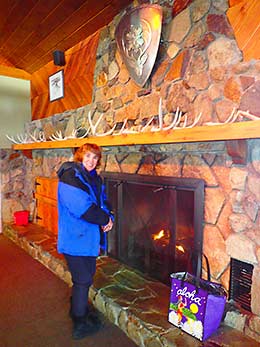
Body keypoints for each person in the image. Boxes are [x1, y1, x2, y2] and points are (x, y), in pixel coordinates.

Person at [57, 143, 114, 340]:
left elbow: (102, 202)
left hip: (87, 238)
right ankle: (79, 324)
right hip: (75, 238)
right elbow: (82, 208)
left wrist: (109, 216)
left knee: (86, 276)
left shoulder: (94, 179)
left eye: (95, 157)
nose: (91, 161)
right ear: (80, 157)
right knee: (82, 279)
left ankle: (77, 309)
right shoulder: (70, 176)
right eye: (88, 156)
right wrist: (104, 219)